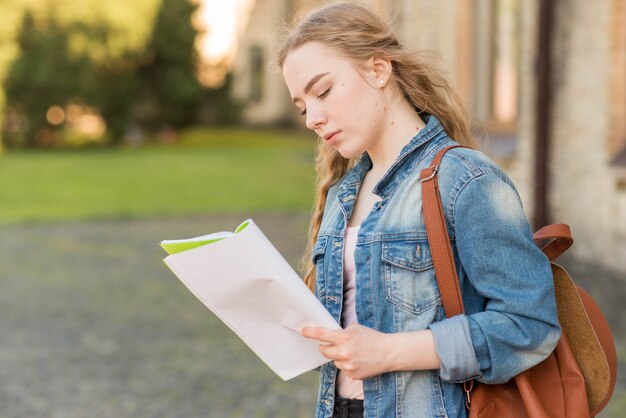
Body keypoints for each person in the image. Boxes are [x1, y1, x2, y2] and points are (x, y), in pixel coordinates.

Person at [276, 3, 561, 418]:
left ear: (378, 70)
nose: (313, 119)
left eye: (323, 91)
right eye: (303, 106)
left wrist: (391, 352)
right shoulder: (343, 193)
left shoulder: (465, 180)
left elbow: (530, 325)